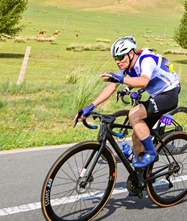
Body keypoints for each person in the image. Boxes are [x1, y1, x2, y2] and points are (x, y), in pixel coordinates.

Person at [75, 36, 180, 168]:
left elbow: (143, 81)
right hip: (156, 95)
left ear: (131, 53)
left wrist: (120, 79)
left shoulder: (146, 60)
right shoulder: (125, 64)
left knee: (133, 114)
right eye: (115, 58)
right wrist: (90, 106)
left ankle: (151, 153)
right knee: (137, 137)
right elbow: (112, 86)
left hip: (169, 93)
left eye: (120, 57)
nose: (118, 61)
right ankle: (141, 177)